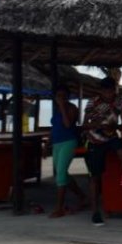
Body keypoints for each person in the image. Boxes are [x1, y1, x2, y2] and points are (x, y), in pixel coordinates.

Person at [82, 76, 122, 226]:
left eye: (111, 90)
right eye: (106, 91)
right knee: (95, 177)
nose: (109, 93)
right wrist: (99, 125)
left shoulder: (120, 102)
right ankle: (95, 211)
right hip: (95, 139)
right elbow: (85, 124)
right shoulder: (93, 102)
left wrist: (116, 128)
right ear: (101, 90)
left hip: (112, 136)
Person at [48, 86, 89, 219]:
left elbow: (67, 124)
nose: (61, 98)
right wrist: (47, 144)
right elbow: (54, 127)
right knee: (61, 173)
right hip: (56, 143)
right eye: (58, 95)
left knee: (60, 175)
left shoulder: (72, 108)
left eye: (63, 95)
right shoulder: (56, 110)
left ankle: (59, 208)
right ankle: (81, 196)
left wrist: (62, 106)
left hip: (68, 142)